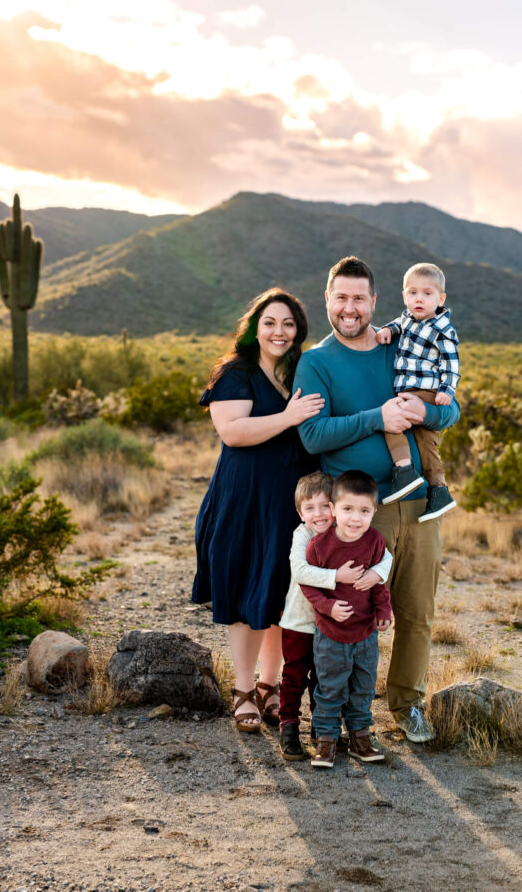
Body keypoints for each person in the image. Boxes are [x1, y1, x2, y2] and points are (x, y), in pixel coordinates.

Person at [293, 257, 460, 743]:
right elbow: (312, 435)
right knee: (354, 615)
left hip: (422, 505)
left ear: (374, 302)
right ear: (327, 300)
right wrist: (377, 417)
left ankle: (408, 705)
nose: (350, 308)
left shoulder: (399, 346)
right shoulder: (317, 361)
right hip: (363, 516)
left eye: (359, 298)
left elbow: (450, 411)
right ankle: (347, 716)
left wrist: (426, 409)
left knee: (416, 613)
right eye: (341, 298)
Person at [192, 289, 323, 732]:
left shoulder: (299, 372)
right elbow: (232, 432)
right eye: (270, 322)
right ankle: (243, 690)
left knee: (278, 592)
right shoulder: (237, 373)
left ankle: (270, 686)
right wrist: (288, 416)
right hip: (246, 497)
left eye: (288, 324)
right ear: (254, 327)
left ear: (298, 331)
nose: (279, 332)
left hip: (290, 501)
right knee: (246, 593)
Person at [278, 470, 393, 761]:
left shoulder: (354, 536)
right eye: (309, 508)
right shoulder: (306, 537)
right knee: (294, 674)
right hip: (300, 620)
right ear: (300, 512)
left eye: (324, 506)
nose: (319, 514)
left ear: (333, 507)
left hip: (330, 627)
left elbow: (383, 559)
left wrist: (377, 575)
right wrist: (337, 576)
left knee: (324, 678)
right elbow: (301, 573)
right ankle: (289, 725)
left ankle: (323, 734)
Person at [376, 261, 460, 521]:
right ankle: (439, 489)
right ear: (404, 296)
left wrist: (447, 389)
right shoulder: (407, 318)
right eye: (412, 293)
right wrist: (389, 329)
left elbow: (451, 361)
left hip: (425, 390)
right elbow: (398, 323)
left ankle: (404, 472)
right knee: (427, 443)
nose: (419, 299)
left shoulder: (441, 328)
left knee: (392, 422)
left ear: (440, 298)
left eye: (427, 294)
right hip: (410, 389)